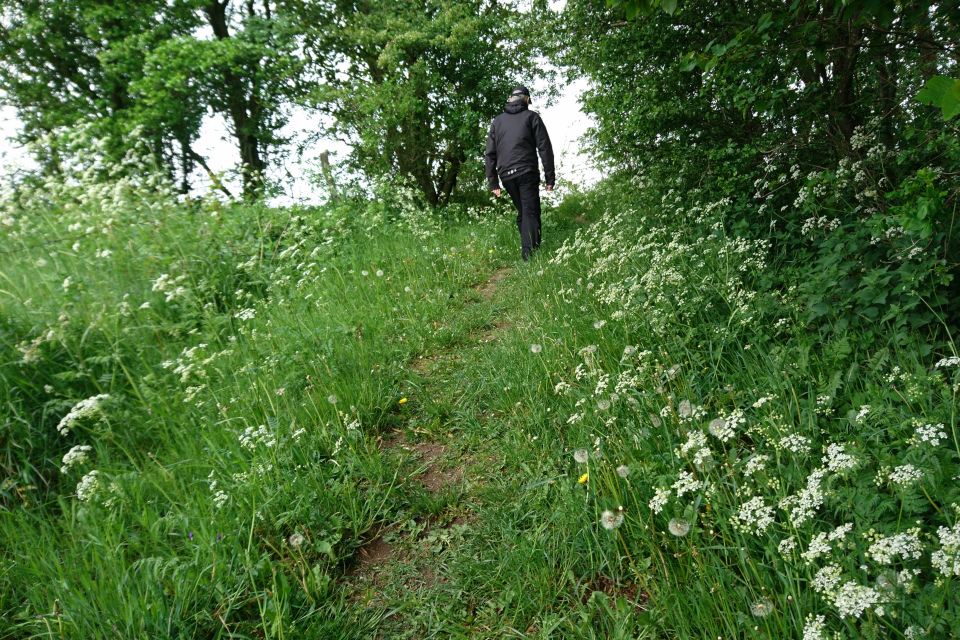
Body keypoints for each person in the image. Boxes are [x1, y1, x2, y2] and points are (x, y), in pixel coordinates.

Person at [485, 86, 555, 261]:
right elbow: (544, 147)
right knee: (530, 211)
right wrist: (550, 177)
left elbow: (490, 153)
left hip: (506, 176)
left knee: (524, 211)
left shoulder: (497, 122)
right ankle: (528, 254)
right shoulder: (532, 117)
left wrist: (494, 182)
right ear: (527, 100)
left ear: (510, 100)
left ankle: (532, 248)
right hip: (526, 171)